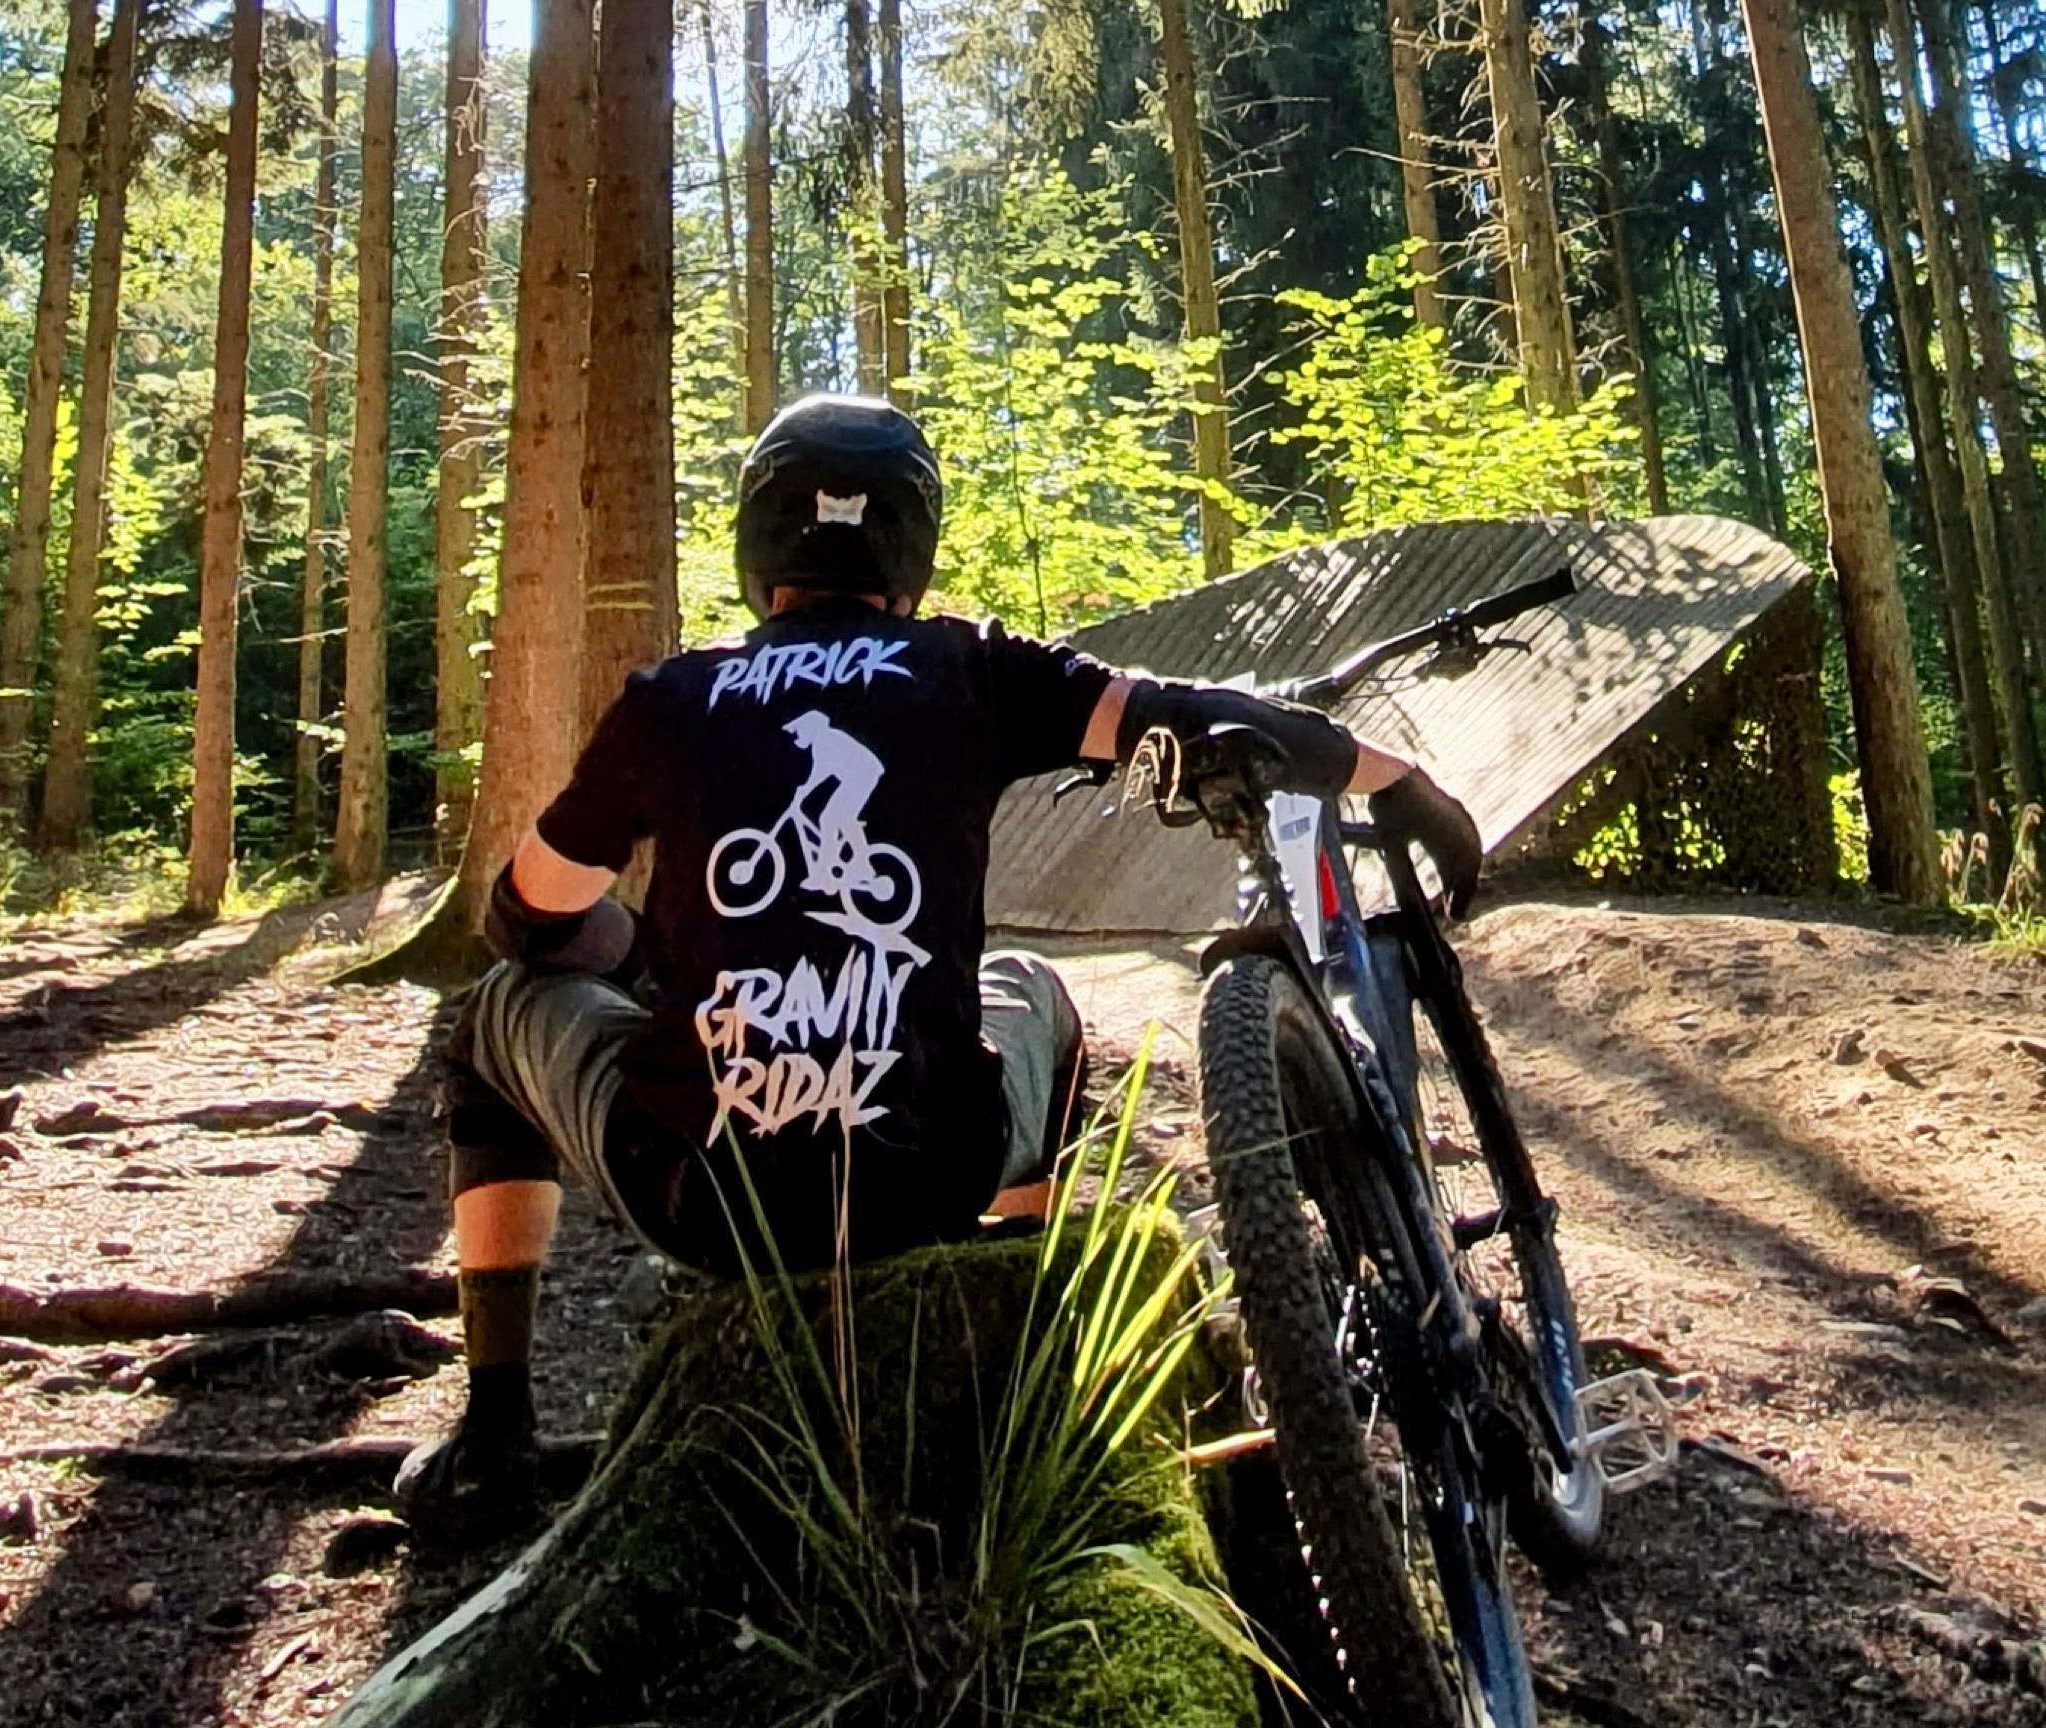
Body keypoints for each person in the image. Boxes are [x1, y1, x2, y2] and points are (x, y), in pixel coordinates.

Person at [396, 394, 1484, 1533]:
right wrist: (1403, 783)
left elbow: (526, 910)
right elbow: (1194, 716)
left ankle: (495, 1431)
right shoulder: (971, 670)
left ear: (758, 536)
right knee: (1034, 992)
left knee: (489, 1019)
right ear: (912, 542)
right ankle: (1011, 1342)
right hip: (930, 1179)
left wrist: (631, 958)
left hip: (705, 1201)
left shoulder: (671, 699)